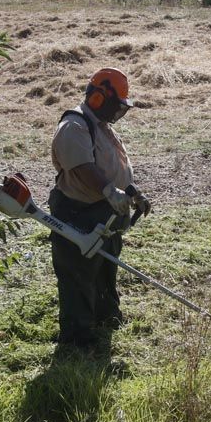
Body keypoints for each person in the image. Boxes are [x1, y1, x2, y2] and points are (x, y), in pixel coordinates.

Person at [48, 67, 152, 348]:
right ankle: (78, 341)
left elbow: (113, 169)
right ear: (98, 98)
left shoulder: (101, 126)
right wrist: (109, 191)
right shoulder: (74, 126)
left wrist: (133, 193)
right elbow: (82, 168)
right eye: (116, 106)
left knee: (106, 270)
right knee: (78, 278)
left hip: (105, 215)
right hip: (78, 215)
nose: (119, 113)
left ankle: (106, 319)